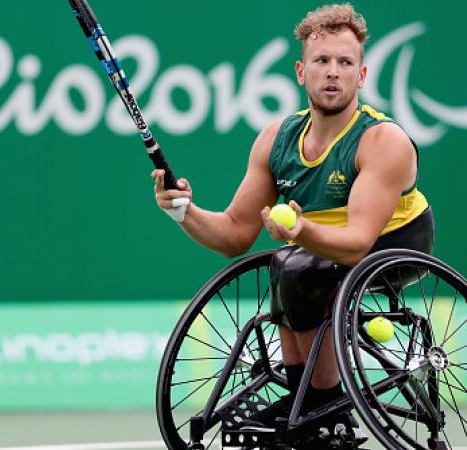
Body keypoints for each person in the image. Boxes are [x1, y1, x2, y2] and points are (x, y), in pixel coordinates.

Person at [152, 1, 434, 435]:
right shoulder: (276, 140)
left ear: (361, 76)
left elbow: (358, 242)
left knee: (298, 264)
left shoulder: (382, 140)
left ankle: (323, 404)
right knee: (289, 264)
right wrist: (182, 211)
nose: (333, 71)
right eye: (321, 61)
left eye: (345, 62)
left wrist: (301, 231)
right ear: (302, 72)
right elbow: (234, 234)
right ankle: (305, 397)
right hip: (320, 246)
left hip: (397, 242)